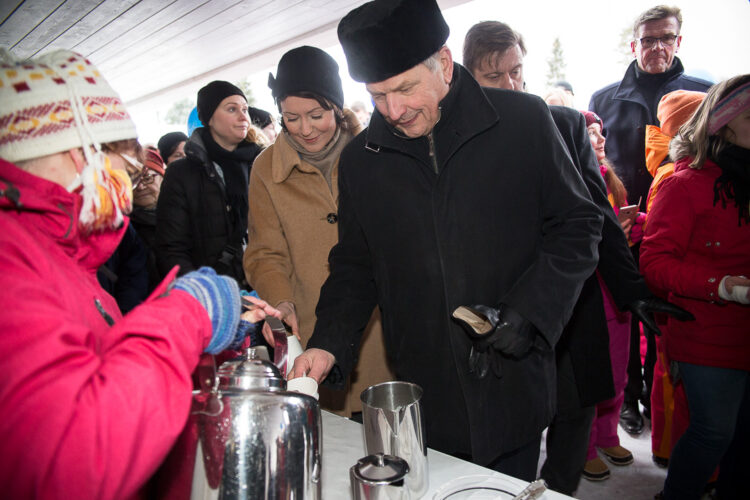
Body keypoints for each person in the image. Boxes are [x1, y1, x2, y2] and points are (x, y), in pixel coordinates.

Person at [291, 0, 605, 482]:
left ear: (443, 62)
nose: (393, 111)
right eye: (377, 96)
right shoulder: (362, 160)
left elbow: (578, 224)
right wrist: (329, 343)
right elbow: (356, 265)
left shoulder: (523, 122)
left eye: (404, 88)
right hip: (424, 383)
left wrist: (531, 311)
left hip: (511, 374)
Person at [0, 48, 281, 499]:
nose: (124, 185)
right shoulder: (11, 260)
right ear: (77, 153)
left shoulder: (63, 254)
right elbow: (75, 462)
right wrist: (189, 311)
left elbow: (107, 367)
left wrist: (209, 336)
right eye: (115, 158)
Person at [462, 20, 691, 494]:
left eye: (516, 73)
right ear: (468, 77)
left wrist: (631, 290)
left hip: (570, 301)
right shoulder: (461, 140)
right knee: (513, 437)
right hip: (504, 307)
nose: (510, 86)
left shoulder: (563, 125)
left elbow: (597, 218)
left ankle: (562, 488)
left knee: (575, 414)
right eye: (494, 77)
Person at [244, 45, 394, 416]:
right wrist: (281, 300)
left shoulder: (380, 150)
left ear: (337, 107)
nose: (305, 129)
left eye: (316, 114)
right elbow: (265, 252)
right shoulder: (265, 169)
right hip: (316, 326)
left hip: (386, 323)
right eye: (290, 118)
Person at [589, 4, 712, 435]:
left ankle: (661, 398)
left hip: (680, 227)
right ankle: (626, 398)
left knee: (665, 317)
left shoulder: (703, 91)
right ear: (634, 44)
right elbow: (595, 162)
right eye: (648, 39)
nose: (656, 46)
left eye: (665, 38)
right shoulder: (605, 98)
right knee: (625, 315)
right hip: (622, 227)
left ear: (679, 41)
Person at [640, 74, 750, 500]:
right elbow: (654, 263)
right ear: (724, 123)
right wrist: (720, 285)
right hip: (706, 333)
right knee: (712, 432)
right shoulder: (683, 183)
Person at [644, 89, 705, 469]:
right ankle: (668, 450)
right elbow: (659, 249)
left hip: (685, 297)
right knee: (672, 381)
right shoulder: (673, 177)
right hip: (677, 300)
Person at [156, 80, 263, 289]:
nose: (243, 117)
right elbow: (172, 248)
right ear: (209, 118)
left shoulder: (261, 163)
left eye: (245, 109)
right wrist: (204, 295)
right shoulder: (181, 173)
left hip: (267, 287)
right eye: (232, 109)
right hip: (216, 295)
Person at [579, 110, 638, 482]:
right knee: (589, 371)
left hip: (617, 292)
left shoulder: (609, 180)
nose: (600, 141)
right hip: (590, 293)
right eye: (591, 135)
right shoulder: (572, 182)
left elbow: (619, 225)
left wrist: (635, 226)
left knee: (617, 369)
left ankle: (607, 433)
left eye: (601, 135)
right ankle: (582, 445)